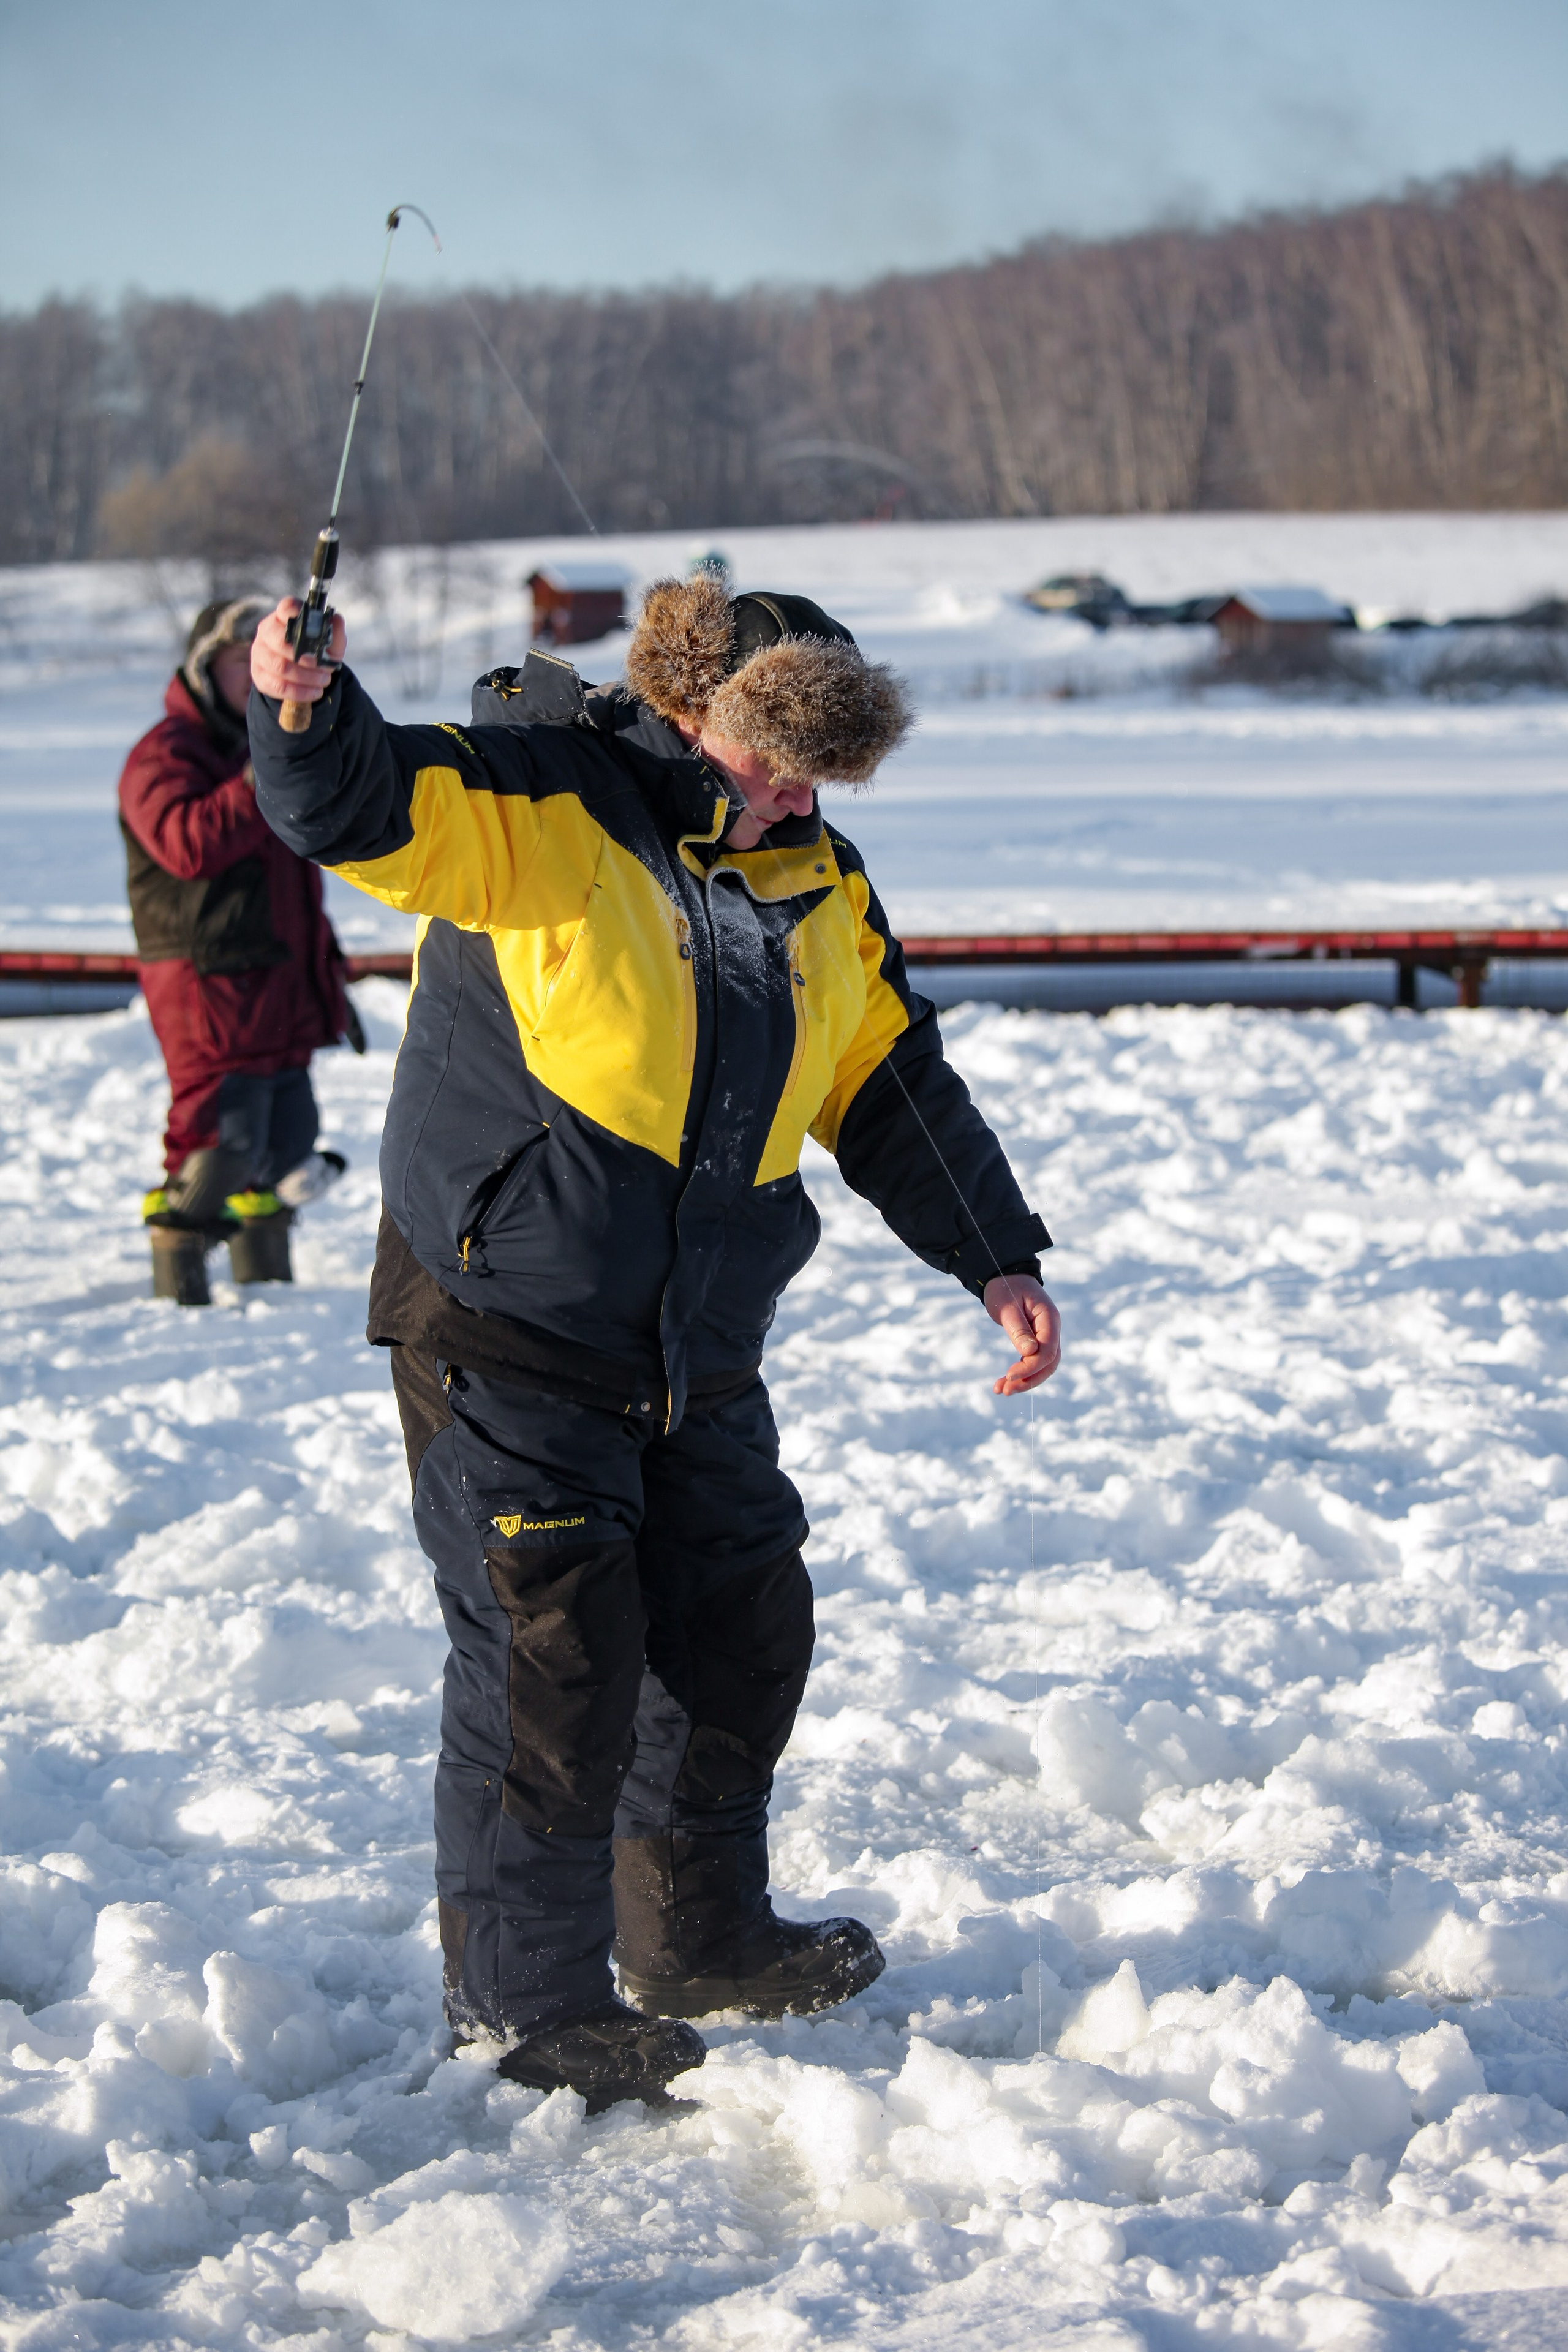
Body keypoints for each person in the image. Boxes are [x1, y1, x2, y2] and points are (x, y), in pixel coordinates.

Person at [247, 573, 1061, 2109]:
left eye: (820, 771)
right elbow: (354, 804)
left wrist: (993, 1255)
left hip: (696, 1341)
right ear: (692, 713)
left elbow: (885, 1078)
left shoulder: (813, 875)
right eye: (774, 760)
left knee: (738, 1626)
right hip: (508, 1322)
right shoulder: (546, 804)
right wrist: (302, 710)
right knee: (552, 1655)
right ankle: (524, 2003)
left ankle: (697, 1941)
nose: (795, 796)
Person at [119, 598, 358, 1305]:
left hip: (282, 982)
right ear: (203, 668)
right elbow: (188, 844)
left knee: (288, 1140)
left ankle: (269, 1291)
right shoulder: (164, 753)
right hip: (207, 986)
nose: (252, 671)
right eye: (236, 660)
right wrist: (265, 775)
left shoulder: (272, 742)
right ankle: (180, 1284)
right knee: (219, 1142)